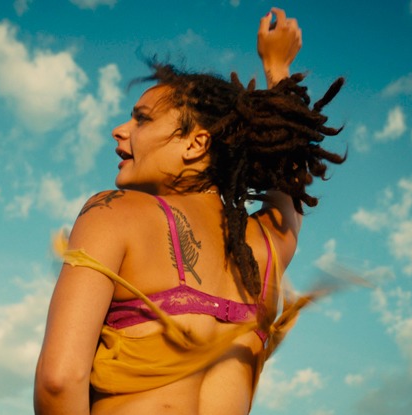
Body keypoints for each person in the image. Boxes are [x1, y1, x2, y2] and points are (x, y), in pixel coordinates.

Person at [34, 8, 345, 415]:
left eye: (142, 120)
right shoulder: (267, 248)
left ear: (196, 144)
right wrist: (278, 67)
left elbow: (59, 381)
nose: (120, 130)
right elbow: (289, 171)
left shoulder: (113, 213)